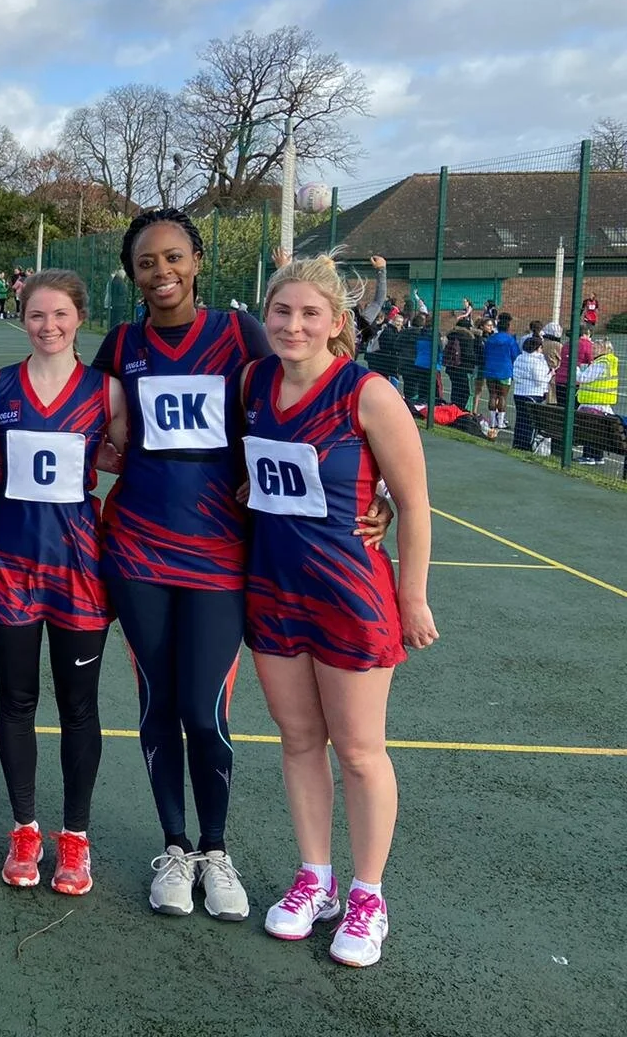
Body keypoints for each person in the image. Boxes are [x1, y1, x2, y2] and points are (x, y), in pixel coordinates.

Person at [245, 254, 438, 969]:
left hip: (349, 591)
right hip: (272, 587)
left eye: (309, 314)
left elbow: (412, 502)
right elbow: (257, 467)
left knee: (358, 751)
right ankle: (314, 878)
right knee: (298, 741)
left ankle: (368, 894)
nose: (293, 325)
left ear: (336, 324)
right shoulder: (254, 381)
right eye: (281, 312)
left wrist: (412, 594)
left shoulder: (368, 393)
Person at [90, 208, 270, 922]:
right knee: (157, 702)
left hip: (220, 555)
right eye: (145, 263)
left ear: (196, 260)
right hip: (137, 551)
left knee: (205, 708)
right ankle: (174, 847)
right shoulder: (122, 344)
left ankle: (216, 850)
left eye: (173, 258)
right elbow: (84, 420)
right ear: (132, 273)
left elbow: (297, 403)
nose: (161, 273)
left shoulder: (239, 334)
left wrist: (373, 489)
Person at [0, 270, 126, 895]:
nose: (49, 326)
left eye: (60, 314)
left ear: (79, 316)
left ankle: (76, 837)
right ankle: (25, 827)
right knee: (15, 700)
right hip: (9, 564)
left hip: (79, 569)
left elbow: (140, 463)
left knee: (79, 707)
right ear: (22, 317)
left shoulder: (106, 392)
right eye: (37, 315)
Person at [574, 336, 620, 464]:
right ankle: (598, 456)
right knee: (598, 430)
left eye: (595, 348)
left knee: (589, 430)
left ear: (603, 349)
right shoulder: (610, 363)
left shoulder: (600, 363)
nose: (592, 350)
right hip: (602, 402)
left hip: (592, 402)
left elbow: (584, 378)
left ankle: (589, 455)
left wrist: (576, 370)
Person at [510, 336, 553, 453]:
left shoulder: (520, 358)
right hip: (533, 393)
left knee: (520, 419)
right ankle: (527, 444)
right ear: (538, 348)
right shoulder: (536, 361)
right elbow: (539, 380)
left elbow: (515, 375)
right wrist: (550, 374)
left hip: (519, 392)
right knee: (532, 421)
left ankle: (518, 442)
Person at [481, 315, 520, 430]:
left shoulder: (491, 339)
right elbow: (515, 355)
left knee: (492, 395)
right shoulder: (510, 340)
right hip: (504, 370)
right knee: (502, 396)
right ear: (508, 328)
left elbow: (485, 353)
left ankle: (492, 422)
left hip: (490, 370)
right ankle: (501, 422)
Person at [442, 319, 474, 409]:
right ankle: (459, 410)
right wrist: (475, 360)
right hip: (463, 367)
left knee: (455, 388)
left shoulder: (450, 335)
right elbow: (468, 354)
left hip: (451, 366)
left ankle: (453, 408)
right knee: (465, 391)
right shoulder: (467, 337)